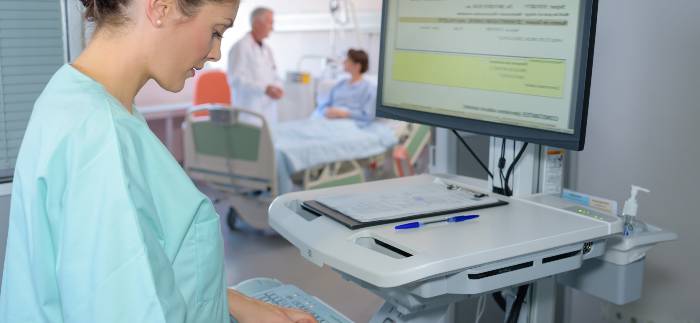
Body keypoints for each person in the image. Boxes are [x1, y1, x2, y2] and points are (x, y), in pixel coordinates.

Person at [0, 0, 315, 322]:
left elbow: (142, 273)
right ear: (161, 8)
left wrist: (243, 306)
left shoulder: (76, 98)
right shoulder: (101, 138)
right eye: (216, 31)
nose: (215, 53)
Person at [227, 7, 284, 126]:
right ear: (257, 24)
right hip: (248, 114)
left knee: (268, 142)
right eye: (270, 23)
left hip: (268, 112)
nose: (272, 27)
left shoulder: (267, 50)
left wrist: (278, 87)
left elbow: (275, 76)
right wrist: (264, 89)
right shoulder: (240, 47)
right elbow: (235, 80)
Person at [313, 49, 376, 127]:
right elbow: (324, 105)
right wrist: (325, 111)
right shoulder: (340, 85)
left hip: (350, 125)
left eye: (347, 60)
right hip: (328, 121)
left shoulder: (369, 89)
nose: (343, 62)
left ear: (357, 66)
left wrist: (345, 114)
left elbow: (368, 115)